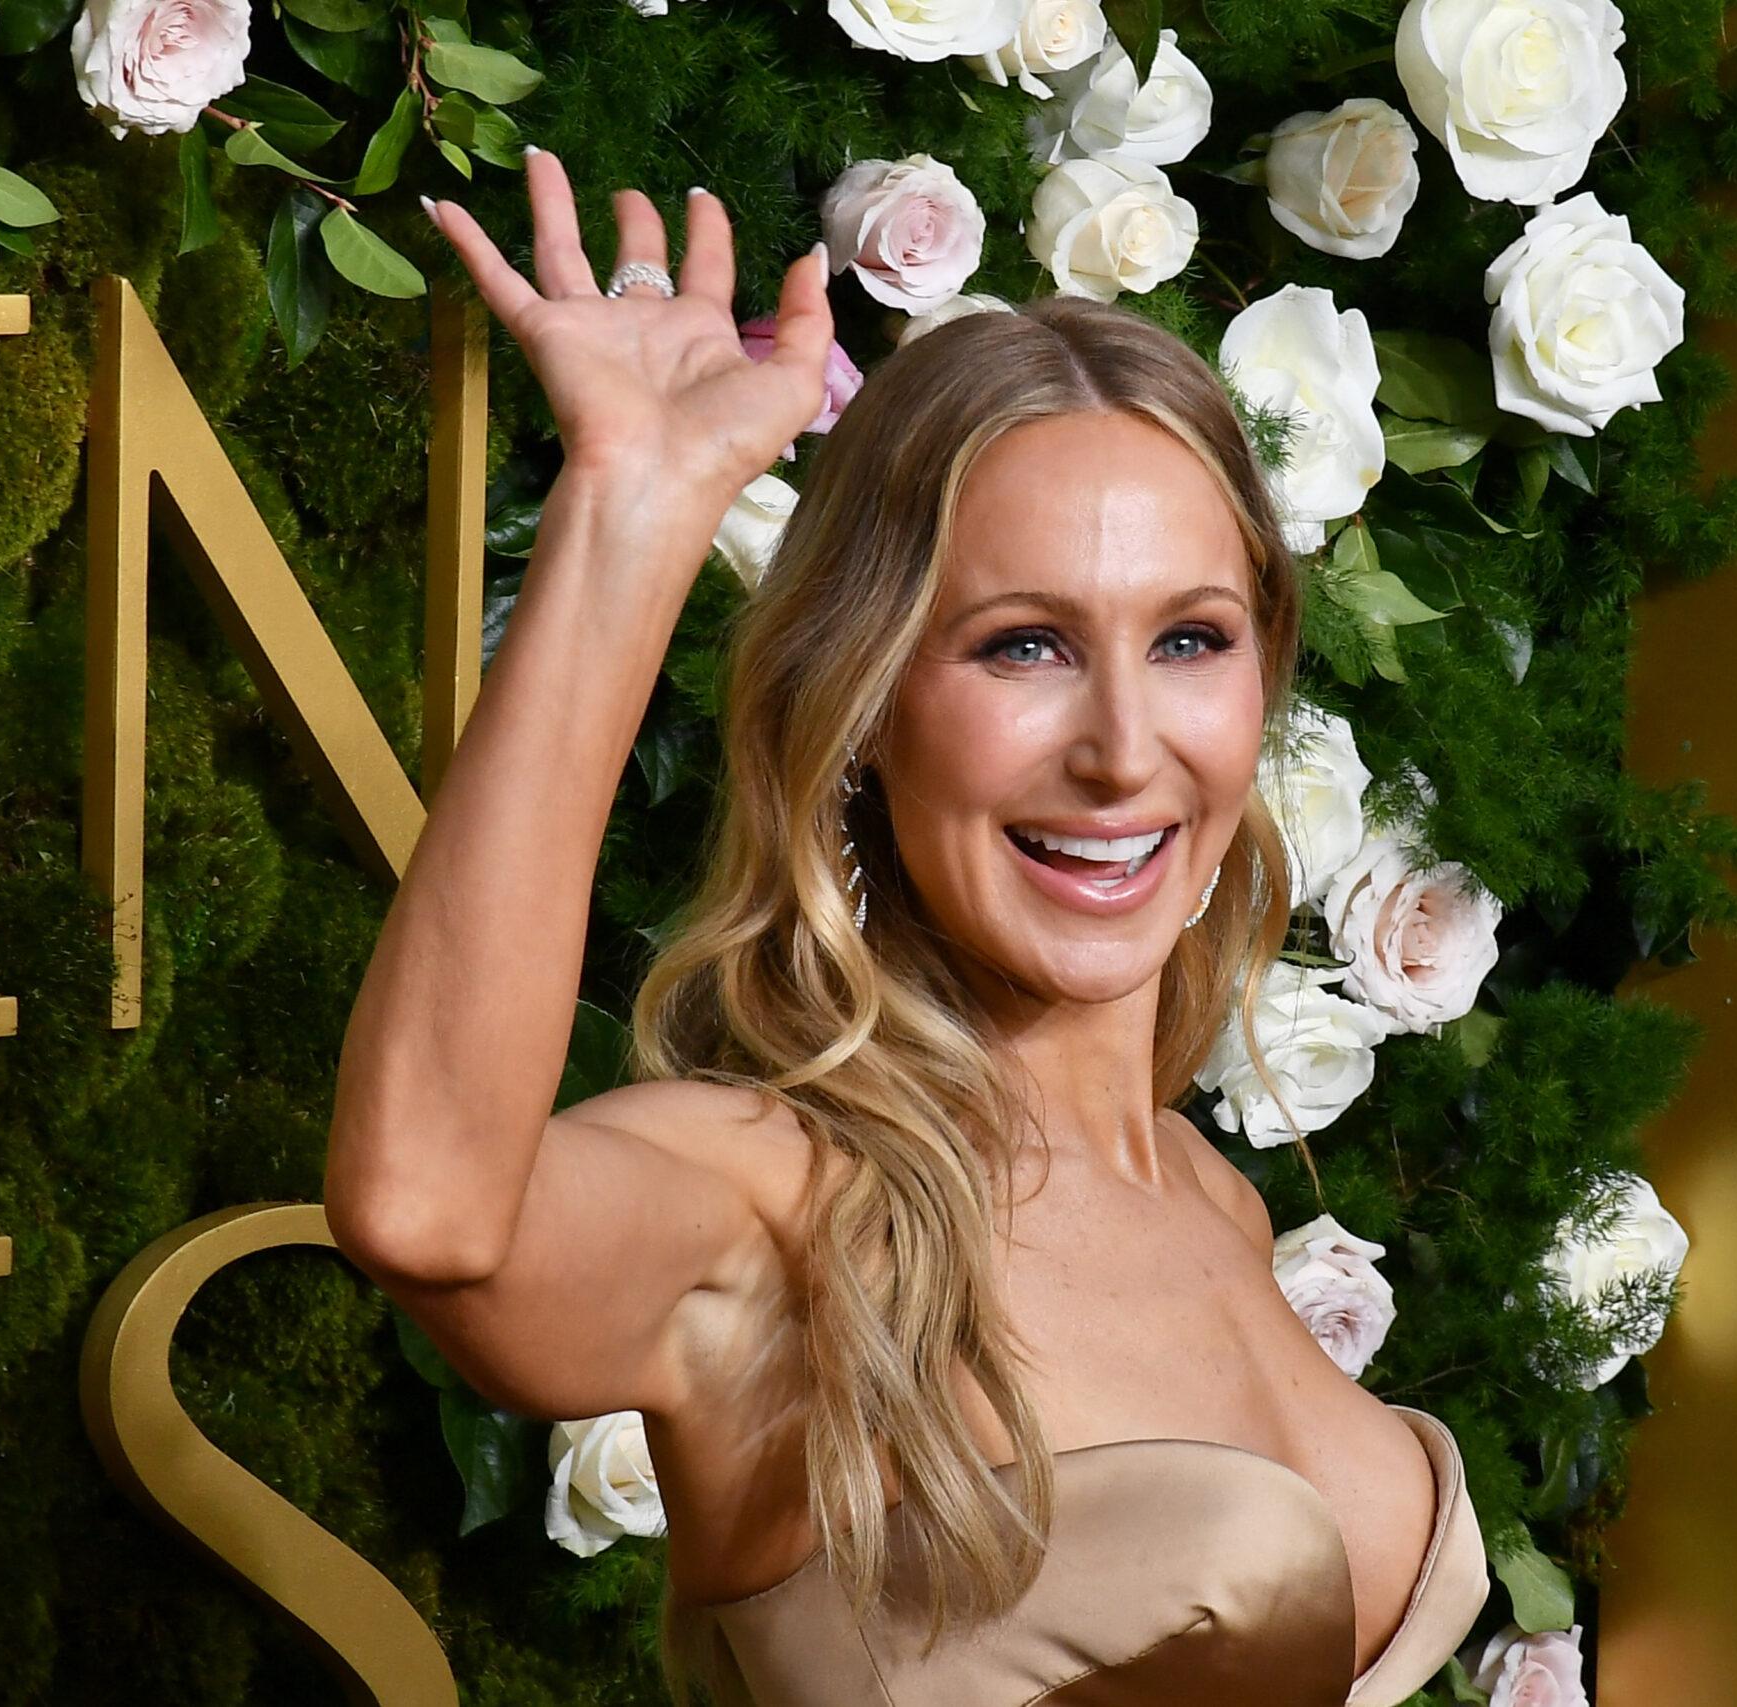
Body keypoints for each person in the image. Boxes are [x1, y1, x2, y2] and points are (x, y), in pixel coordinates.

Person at [324, 146, 1492, 1706]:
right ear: (865, 704)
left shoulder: (1216, 1202)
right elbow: (427, 1209)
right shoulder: (775, 1199)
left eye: (1192, 640)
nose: (1126, 748)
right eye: (1023, 648)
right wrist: (637, 503)